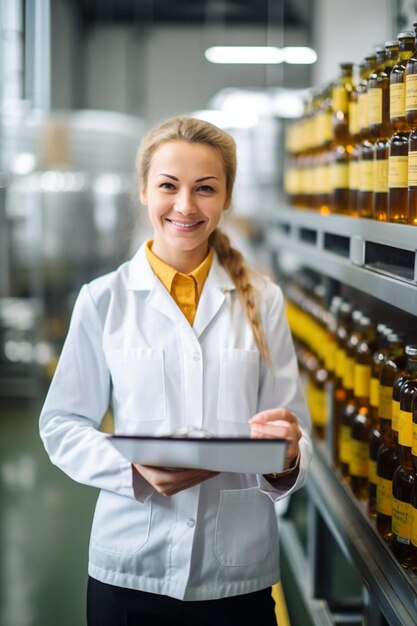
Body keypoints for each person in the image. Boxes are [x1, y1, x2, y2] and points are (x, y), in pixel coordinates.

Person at [39, 115, 312, 626]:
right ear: (144, 191)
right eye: (169, 186)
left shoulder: (265, 300)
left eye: (205, 189)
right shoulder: (103, 299)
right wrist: (132, 470)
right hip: (129, 572)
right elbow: (61, 426)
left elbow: (292, 426)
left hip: (238, 575)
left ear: (227, 197)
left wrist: (286, 457)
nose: (186, 206)